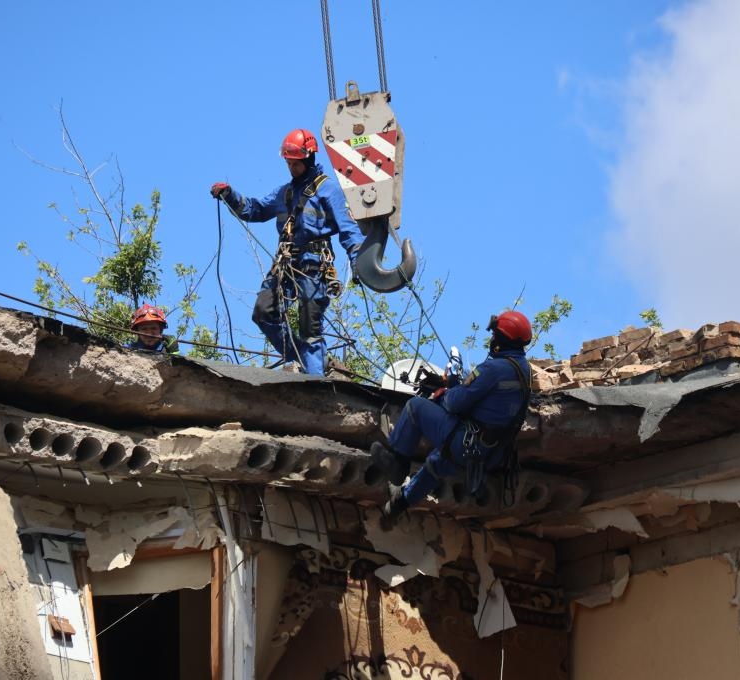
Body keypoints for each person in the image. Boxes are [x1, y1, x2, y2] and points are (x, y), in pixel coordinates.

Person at [211, 128, 363, 376]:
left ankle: (316, 385)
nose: (291, 168)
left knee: (309, 326)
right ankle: (305, 359)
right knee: (263, 311)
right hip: (286, 264)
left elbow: (349, 230)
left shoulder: (329, 190)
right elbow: (254, 209)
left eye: (295, 164)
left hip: (314, 265)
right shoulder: (285, 193)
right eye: (288, 163)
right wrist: (230, 195)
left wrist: (358, 262)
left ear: (308, 158)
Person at [370, 310, 533, 529]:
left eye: (494, 335)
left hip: (465, 444)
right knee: (436, 464)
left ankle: (398, 465)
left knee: (415, 408)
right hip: (490, 453)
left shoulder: (493, 369)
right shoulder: (524, 371)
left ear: (500, 340)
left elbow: (455, 403)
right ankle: (398, 506)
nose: (492, 340)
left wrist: (450, 387)